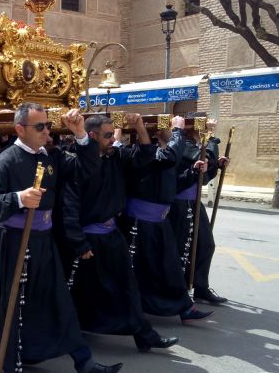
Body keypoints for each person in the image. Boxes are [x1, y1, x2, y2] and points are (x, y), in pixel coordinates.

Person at [0, 103, 122, 373]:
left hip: (44, 240)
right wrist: (18, 198)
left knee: (59, 300)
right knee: (13, 307)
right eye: (39, 127)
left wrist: (81, 134)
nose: (46, 131)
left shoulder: (51, 156)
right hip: (15, 241)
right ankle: (11, 368)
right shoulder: (7, 160)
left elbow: (86, 169)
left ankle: (84, 363)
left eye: (47, 126)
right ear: (20, 129)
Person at [61, 115, 179, 352]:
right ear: (91, 136)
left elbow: (145, 156)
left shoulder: (116, 158)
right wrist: (78, 242)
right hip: (88, 238)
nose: (113, 140)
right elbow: (69, 205)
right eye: (108, 135)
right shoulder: (75, 162)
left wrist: (139, 128)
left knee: (127, 285)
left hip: (112, 235)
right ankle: (71, 335)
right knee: (82, 289)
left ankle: (144, 335)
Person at [119, 117, 214, 323]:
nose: (171, 132)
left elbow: (172, 187)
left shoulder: (165, 157)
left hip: (160, 223)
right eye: (166, 129)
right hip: (140, 223)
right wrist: (179, 131)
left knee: (170, 267)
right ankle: (136, 308)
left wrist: (192, 172)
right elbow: (170, 156)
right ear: (156, 133)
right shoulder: (144, 155)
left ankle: (185, 308)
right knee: (143, 270)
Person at [169, 121, 228, 304]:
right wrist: (212, 138)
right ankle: (178, 290)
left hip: (194, 202)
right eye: (202, 126)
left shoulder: (195, 145)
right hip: (179, 205)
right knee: (182, 249)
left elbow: (202, 177)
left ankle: (201, 287)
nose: (204, 129)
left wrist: (217, 167)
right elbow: (205, 156)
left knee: (206, 245)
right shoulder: (183, 145)